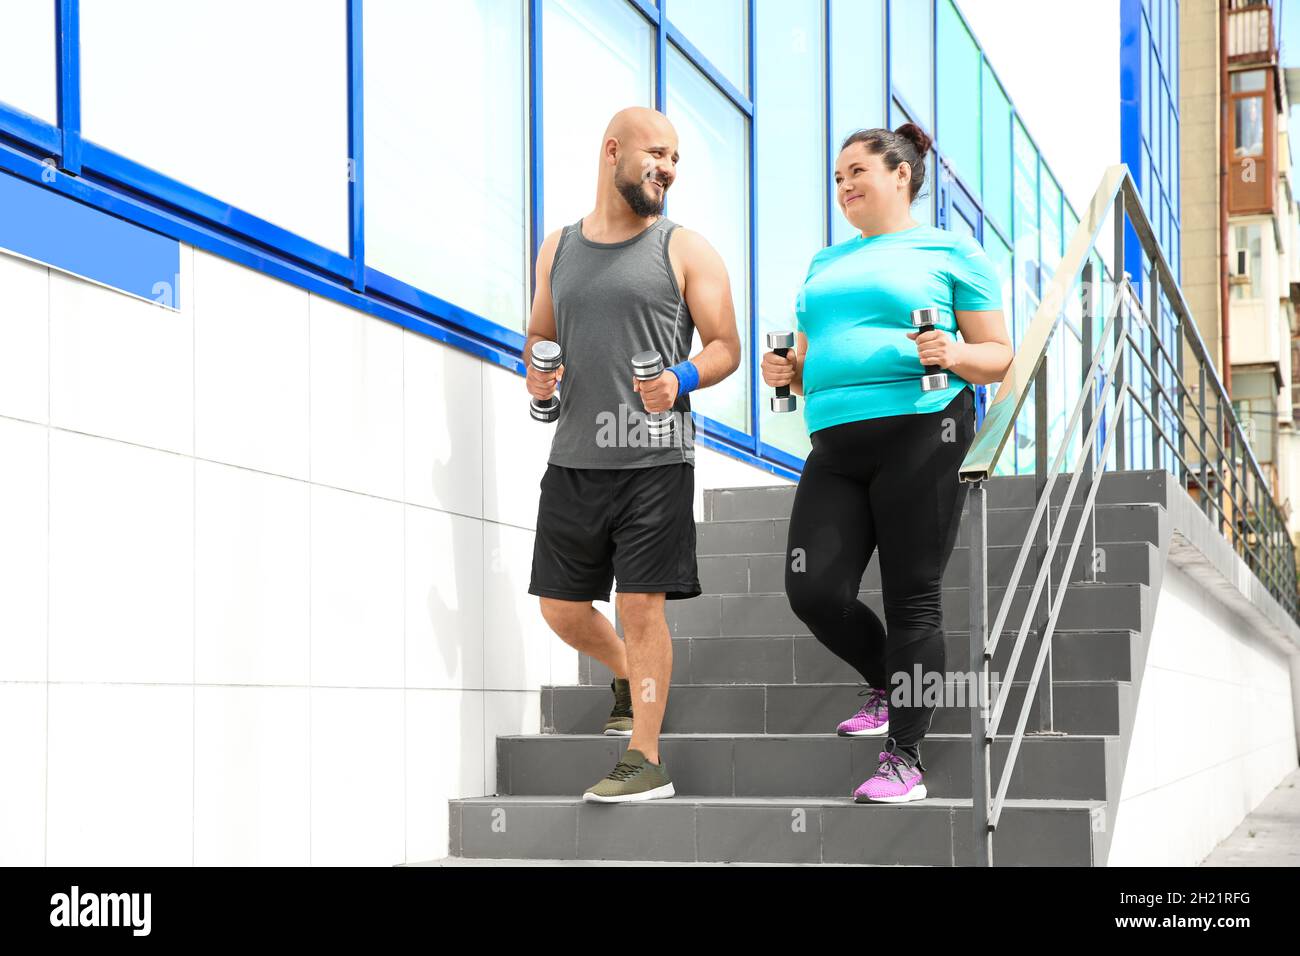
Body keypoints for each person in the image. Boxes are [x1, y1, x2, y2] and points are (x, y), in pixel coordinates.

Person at [761, 124, 1013, 803]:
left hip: (923, 429)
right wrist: (787, 368)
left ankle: (905, 756)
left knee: (913, 599)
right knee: (813, 590)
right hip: (836, 443)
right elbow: (816, 349)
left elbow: (999, 353)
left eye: (856, 172)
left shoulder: (951, 250)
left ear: (900, 175)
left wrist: (954, 354)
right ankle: (885, 682)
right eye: (837, 177)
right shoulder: (824, 264)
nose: (843, 186)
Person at [524, 106, 741, 803]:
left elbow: (726, 347)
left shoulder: (686, 249)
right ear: (612, 151)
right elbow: (538, 333)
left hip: (656, 458)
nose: (669, 168)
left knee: (639, 605)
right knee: (559, 609)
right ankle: (622, 669)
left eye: (676, 158)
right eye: (657, 153)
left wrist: (680, 378)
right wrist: (536, 369)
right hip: (575, 457)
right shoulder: (556, 247)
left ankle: (644, 755)